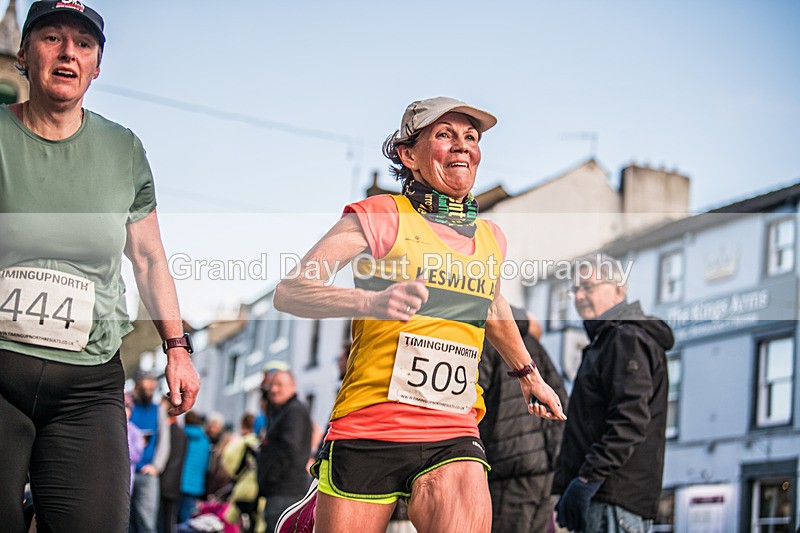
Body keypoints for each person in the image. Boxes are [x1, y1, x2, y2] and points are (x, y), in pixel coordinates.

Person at [271, 96, 565, 533]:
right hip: (371, 421)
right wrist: (369, 303)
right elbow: (292, 291)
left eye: (470, 137)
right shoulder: (381, 215)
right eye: (445, 135)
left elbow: (493, 304)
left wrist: (528, 375)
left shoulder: (491, 237)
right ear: (409, 155)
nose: (462, 146)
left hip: (454, 426)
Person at [0, 1, 200, 531]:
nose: (68, 52)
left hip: (86, 385)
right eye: (52, 38)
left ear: (96, 66)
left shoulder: (123, 149)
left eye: (83, 44)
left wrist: (177, 349)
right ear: (24, 53)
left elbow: (150, 258)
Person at [553, 255, 673, 533]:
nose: (580, 296)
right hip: (605, 496)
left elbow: (630, 420)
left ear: (619, 290)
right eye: (575, 289)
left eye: (589, 287)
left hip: (612, 497)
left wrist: (586, 480)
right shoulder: (608, 340)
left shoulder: (625, 338)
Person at [479, 305, 568, 533]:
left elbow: (473, 394)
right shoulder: (533, 345)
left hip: (509, 466)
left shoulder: (489, 342)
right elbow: (561, 397)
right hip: (546, 469)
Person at [256, 369, 313, 531]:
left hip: (285, 491)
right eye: (272, 385)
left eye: (279, 385)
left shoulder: (293, 411)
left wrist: (269, 477)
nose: (273, 389)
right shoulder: (284, 410)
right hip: (281, 489)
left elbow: (290, 449)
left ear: (293, 387)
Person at [131, 371, 173, 533]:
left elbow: (164, 441)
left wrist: (157, 467)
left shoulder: (158, 410)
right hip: (126, 472)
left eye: (153, 384)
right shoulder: (128, 406)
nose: (151, 387)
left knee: (147, 522)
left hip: (147, 473)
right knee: (122, 520)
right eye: (148, 383)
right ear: (138, 384)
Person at [159, 397, 188, 533]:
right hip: (172, 484)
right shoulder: (179, 432)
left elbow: (172, 460)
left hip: (167, 484)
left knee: (165, 523)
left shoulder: (173, 432)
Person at [179, 411, 212, 523]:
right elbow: (206, 463)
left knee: (173, 516)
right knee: (187, 516)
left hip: (179, 480)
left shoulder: (182, 435)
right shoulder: (205, 440)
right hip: (196, 483)